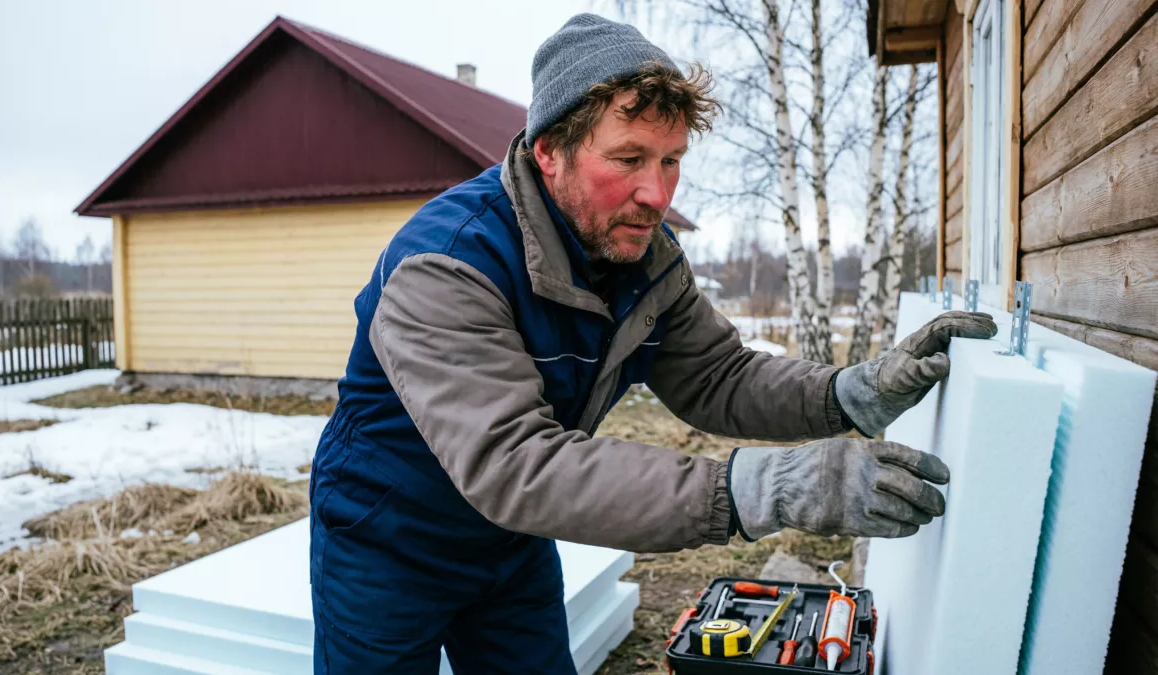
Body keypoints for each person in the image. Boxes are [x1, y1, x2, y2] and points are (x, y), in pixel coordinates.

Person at [308, 13, 996, 674]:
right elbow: (515, 463)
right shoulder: (448, 264)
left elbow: (719, 376)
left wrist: (852, 392)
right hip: (387, 540)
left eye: (671, 160)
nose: (657, 191)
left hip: (509, 542)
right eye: (629, 158)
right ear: (549, 150)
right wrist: (762, 486)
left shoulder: (646, 258)